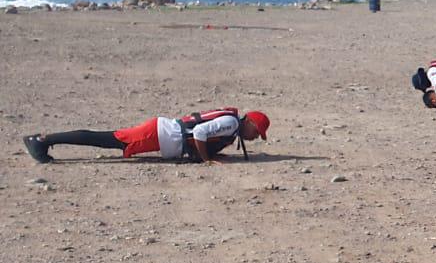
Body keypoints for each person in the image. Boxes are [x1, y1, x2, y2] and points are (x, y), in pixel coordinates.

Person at [25, 108, 270, 164]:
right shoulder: (229, 123)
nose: (255, 137)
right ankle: (42, 140)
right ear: (248, 122)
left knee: (109, 139)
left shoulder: (231, 125)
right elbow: (199, 132)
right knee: (108, 139)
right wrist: (207, 160)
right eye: (256, 132)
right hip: (161, 134)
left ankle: (44, 140)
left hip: (163, 133)